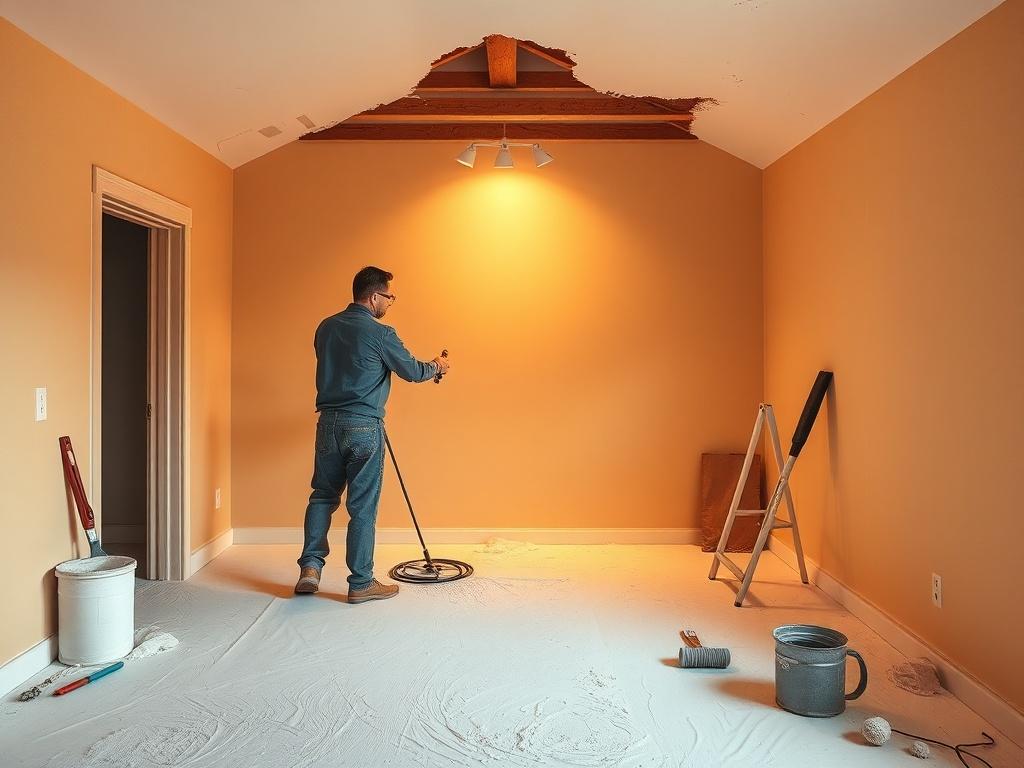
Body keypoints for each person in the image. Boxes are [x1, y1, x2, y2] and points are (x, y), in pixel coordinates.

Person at [294, 266, 450, 603]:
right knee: (362, 507)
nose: (390, 303)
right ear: (374, 296)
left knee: (322, 495)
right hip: (364, 426)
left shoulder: (326, 328)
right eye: (389, 297)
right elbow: (411, 371)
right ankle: (361, 582)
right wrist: (437, 365)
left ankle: (310, 568)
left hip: (328, 425)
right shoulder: (382, 333)